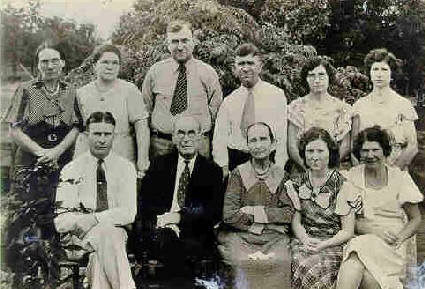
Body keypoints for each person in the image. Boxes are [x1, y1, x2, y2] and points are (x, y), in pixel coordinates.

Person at [3, 42, 82, 288]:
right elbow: (13, 130)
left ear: (63, 64)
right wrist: (40, 152)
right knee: (24, 217)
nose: (49, 66)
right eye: (44, 61)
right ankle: (21, 276)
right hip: (30, 162)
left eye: (54, 60)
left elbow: (77, 126)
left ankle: (56, 276)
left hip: (60, 162)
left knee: (55, 216)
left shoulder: (70, 91)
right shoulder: (25, 90)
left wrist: (56, 153)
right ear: (38, 65)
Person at [55, 111, 137, 289]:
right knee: (109, 235)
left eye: (107, 134)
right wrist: (86, 222)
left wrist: (93, 218)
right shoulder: (71, 169)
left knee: (101, 250)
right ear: (86, 135)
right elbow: (61, 220)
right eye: (97, 134)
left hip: (115, 236)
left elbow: (129, 213)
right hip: (79, 239)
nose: (102, 140)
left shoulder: (125, 168)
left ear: (113, 135)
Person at [336, 126, 423, 289]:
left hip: (392, 244)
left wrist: (400, 238)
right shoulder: (352, 177)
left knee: (355, 259)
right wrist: (368, 228)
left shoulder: (400, 177)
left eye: (375, 149)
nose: (370, 155)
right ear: (359, 153)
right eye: (364, 151)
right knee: (363, 269)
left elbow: (416, 218)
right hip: (363, 236)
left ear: (384, 151)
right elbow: (346, 218)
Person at [139, 116, 223, 277]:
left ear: (200, 137)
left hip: (194, 231)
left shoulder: (212, 171)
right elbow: (145, 204)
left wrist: (178, 218)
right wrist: (162, 220)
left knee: (184, 248)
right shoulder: (159, 165)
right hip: (161, 230)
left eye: (191, 133)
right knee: (167, 241)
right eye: (181, 133)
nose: (186, 139)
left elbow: (212, 212)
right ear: (173, 137)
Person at [217, 122, 294, 289]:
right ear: (247, 145)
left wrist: (252, 211)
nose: (258, 145)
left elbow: (288, 213)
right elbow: (230, 214)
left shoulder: (282, 176)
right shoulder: (238, 174)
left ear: (273, 143)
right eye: (253, 140)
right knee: (243, 262)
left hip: (274, 238)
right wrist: (267, 223)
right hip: (242, 235)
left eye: (263, 139)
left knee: (282, 261)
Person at [287, 127, 358, 289]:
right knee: (297, 261)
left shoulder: (343, 184)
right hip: (305, 240)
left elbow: (348, 231)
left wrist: (324, 244)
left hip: (334, 242)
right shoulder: (298, 182)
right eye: (310, 151)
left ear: (330, 152)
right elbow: (296, 222)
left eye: (320, 150)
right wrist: (305, 239)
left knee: (316, 267)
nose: (314, 156)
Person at [141, 20, 223, 159]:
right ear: (167, 45)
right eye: (174, 41)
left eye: (185, 40)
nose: (180, 46)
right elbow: (145, 108)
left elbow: (215, 110)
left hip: (198, 146)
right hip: (162, 145)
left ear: (193, 41)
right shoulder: (156, 72)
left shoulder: (207, 73)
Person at [213, 43, 288, 178]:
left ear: (260, 67)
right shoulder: (229, 101)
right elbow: (220, 138)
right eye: (241, 64)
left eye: (250, 63)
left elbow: (282, 136)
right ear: (234, 69)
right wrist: (223, 167)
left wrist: (279, 166)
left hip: (268, 160)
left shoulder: (276, 95)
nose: (245, 68)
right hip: (237, 160)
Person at [74, 44, 150, 177]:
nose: (110, 67)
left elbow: (141, 126)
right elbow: (77, 131)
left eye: (115, 63)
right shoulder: (82, 93)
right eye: (105, 62)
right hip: (88, 157)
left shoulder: (129, 91)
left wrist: (142, 160)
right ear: (94, 65)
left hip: (121, 155)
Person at [352, 48, 418, 170]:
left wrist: (392, 173)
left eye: (384, 69)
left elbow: (412, 146)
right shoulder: (359, 106)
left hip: (396, 169)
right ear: (369, 73)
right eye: (375, 69)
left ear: (391, 74)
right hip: (365, 170)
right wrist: (362, 173)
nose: (379, 74)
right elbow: (354, 147)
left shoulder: (403, 104)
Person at [288, 56, 353, 170]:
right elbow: (292, 145)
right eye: (311, 76)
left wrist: (329, 168)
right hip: (303, 168)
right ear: (306, 79)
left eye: (321, 75)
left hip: (333, 168)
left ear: (329, 77)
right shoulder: (296, 107)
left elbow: (346, 145)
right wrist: (307, 168)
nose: (317, 80)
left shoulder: (342, 108)